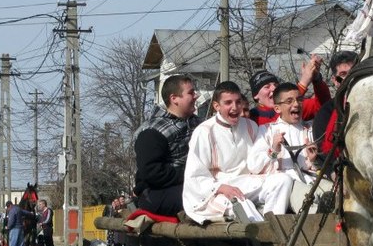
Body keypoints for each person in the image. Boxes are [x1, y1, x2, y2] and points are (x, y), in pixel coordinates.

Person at [182, 81, 293, 224]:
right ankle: (267, 238)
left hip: (248, 181)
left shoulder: (251, 126)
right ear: (217, 106)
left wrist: (274, 151)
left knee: (283, 180)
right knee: (241, 203)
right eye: (228, 103)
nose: (235, 108)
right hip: (219, 188)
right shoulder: (204, 132)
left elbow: (259, 163)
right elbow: (196, 175)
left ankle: (273, 224)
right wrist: (221, 188)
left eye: (238, 102)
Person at [249, 82, 333, 213]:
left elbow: (322, 163)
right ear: (277, 108)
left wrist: (314, 159)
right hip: (289, 184)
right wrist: (274, 150)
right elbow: (254, 166)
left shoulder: (310, 129)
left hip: (312, 179)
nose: (296, 104)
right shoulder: (267, 131)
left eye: (299, 99)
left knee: (338, 193)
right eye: (289, 101)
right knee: (309, 202)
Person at [133, 74, 201, 217]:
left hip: (193, 184)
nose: (196, 96)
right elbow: (151, 172)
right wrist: (190, 174)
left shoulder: (199, 124)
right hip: (157, 193)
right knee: (203, 198)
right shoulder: (152, 131)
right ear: (174, 98)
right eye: (190, 93)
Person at [249, 54, 331, 125]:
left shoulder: (296, 106)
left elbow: (324, 105)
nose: (274, 88)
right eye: (267, 87)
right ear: (256, 96)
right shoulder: (252, 117)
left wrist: (316, 79)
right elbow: (278, 119)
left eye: (276, 85)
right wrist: (303, 83)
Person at [312, 51, 358, 159]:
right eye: (343, 74)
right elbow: (322, 152)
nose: (349, 78)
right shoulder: (326, 112)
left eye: (353, 72)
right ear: (335, 80)